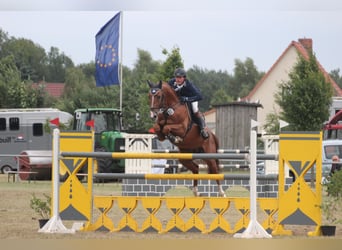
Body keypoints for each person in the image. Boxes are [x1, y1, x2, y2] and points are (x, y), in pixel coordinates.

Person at [168, 68, 209, 139]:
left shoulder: (189, 85)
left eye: (180, 77)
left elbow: (200, 96)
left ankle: (203, 128)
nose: (178, 79)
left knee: (195, 110)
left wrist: (187, 99)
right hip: (178, 101)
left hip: (191, 98)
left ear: (184, 78)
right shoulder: (171, 82)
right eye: (176, 77)